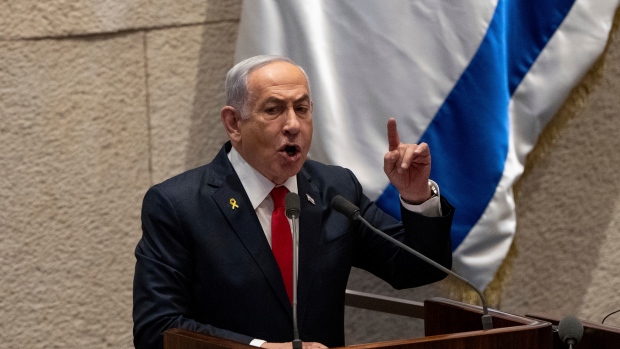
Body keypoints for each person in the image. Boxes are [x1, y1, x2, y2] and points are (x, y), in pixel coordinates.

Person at [133, 55, 454, 349]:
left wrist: (416, 196)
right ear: (234, 123)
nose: (292, 125)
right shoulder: (179, 205)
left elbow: (418, 269)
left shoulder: (336, 188)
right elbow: (157, 330)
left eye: (302, 109)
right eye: (273, 110)